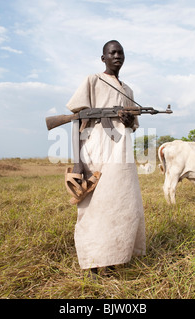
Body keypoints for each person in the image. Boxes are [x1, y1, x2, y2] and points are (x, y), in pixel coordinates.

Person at [65, 40, 146, 276]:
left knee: (120, 206)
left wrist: (129, 120)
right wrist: (78, 162)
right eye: (112, 52)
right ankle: (92, 263)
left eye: (120, 52)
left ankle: (111, 260)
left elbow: (130, 127)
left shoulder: (128, 90)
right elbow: (78, 121)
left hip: (121, 154)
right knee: (92, 208)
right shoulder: (93, 80)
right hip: (95, 150)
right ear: (103, 58)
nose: (117, 56)